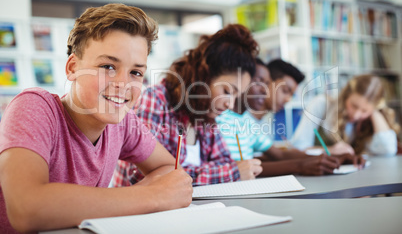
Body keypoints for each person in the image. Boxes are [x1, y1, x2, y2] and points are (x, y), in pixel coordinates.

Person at [0, 3, 193, 233]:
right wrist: (152, 195)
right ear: (72, 67)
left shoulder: (123, 123)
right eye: (108, 66)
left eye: (135, 72)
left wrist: (156, 192)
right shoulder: (35, 107)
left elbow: (169, 169)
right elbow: (26, 209)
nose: (123, 84)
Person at [112, 24, 263, 187]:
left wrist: (216, 171)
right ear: (204, 76)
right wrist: (229, 173)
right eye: (227, 91)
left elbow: (224, 161)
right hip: (142, 211)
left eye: (236, 96)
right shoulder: (155, 99)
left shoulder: (205, 115)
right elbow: (140, 174)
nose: (230, 103)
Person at [217, 59, 365, 177]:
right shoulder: (220, 118)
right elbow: (238, 167)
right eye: (284, 90)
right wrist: (301, 165)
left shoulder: (246, 122)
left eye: (266, 84)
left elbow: (279, 154)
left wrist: (334, 159)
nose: (264, 89)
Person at [291, 74, 400, 156]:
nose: (357, 115)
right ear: (346, 95)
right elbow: (296, 149)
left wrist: (375, 112)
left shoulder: (367, 121)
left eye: (364, 111)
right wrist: (329, 150)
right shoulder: (322, 105)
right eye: (354, 106)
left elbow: (388, 150)